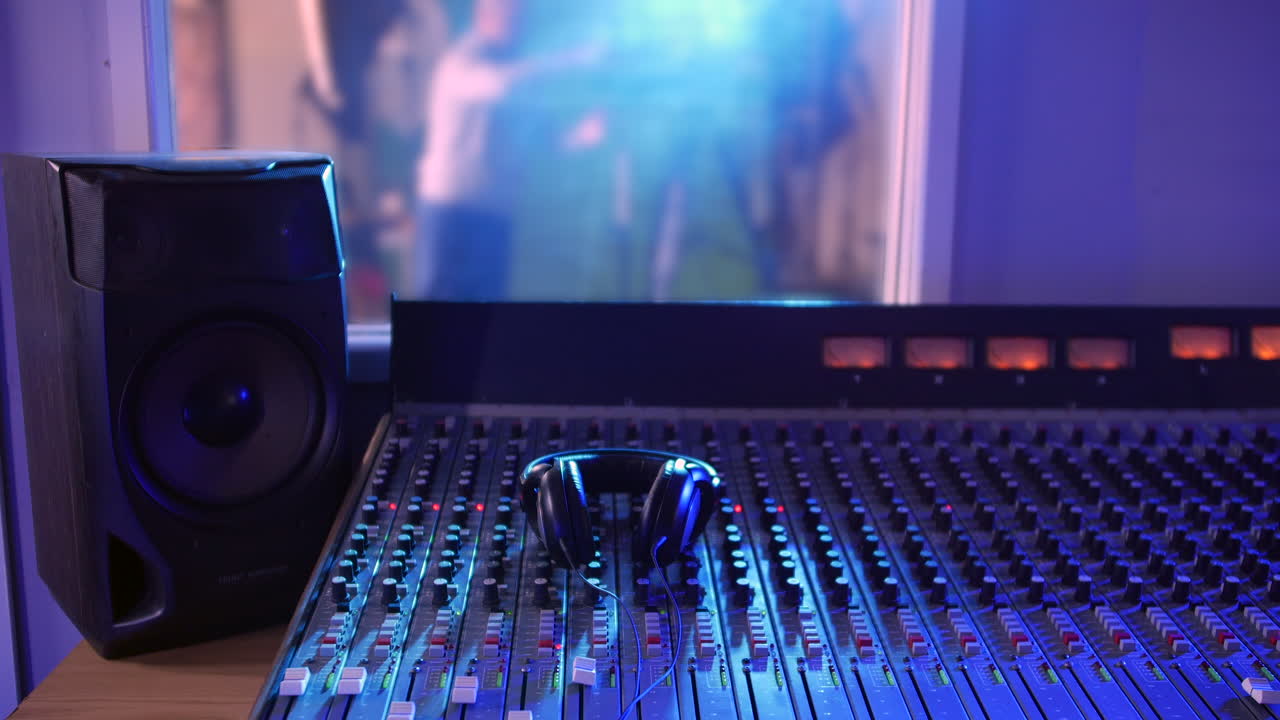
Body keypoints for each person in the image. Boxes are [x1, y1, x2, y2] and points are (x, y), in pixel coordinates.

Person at [413, 0, 604, 300]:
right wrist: (573, 60)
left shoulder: (513, 68)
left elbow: (541, 135)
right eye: (512, 14)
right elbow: (500, 85)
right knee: (440, 311)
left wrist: (580, 136)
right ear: (485, 14)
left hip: (494, 211)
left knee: (486, 314)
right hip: (452, 209)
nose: (520, 25)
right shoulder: (460, 60)